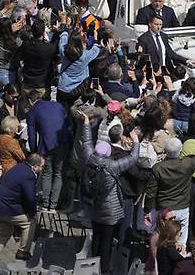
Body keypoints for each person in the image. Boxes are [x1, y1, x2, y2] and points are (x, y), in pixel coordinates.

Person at [78, 111, 140, 274]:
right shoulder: (113, 166)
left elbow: (86, 141)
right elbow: (133, 159)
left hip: (93, 207)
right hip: (110, 211)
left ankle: (93, 267)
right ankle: (104, 270)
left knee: (96, 238)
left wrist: (85, 122)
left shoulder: (90, 157)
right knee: (106, 242)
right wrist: (136, 142)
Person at [147, 125, 195, 246]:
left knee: (162, 243)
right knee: (181, 244)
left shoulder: (158, 168)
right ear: (180, 150)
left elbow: (151, 192)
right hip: (181, 209)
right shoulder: (187, 164)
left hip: (164, 210)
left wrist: (148, 211)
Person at [0, 153, 44, 261]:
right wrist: (32, 213)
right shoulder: (29, 175)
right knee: (30, 222)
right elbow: (30, 198)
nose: (42, 169)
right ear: (35, 167)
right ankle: (23, 251)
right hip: (3, 208)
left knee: (6, 231)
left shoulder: (20, 166)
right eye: (42, 166)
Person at [26, 91, 72, 211]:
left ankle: (45, 204)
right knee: (58, 173)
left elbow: (31, 135)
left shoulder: (32, 111)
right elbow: (66, 124)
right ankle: (54, 204)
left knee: (47, 173)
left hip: (46, 145)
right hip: (63, 142)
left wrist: (33, 151)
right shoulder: (58, 105)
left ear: (31, 101)